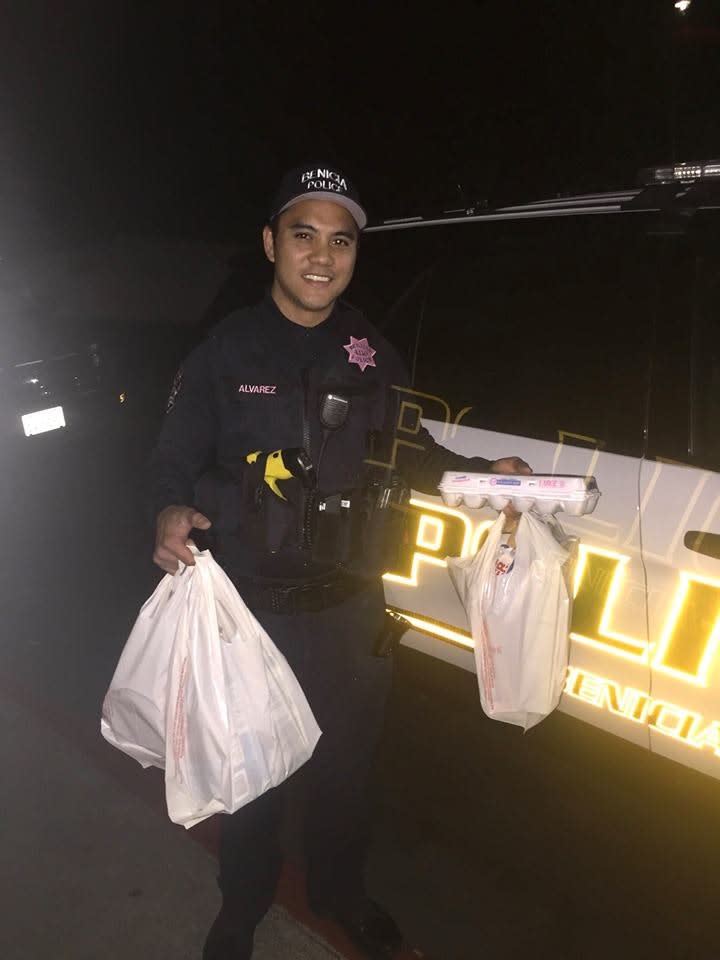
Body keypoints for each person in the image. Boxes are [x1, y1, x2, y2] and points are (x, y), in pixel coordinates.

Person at [148, 163, 530, 960]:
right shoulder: (225, 350)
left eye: (340, 240)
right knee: (254, 777)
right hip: (251, 611)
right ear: (271, 244)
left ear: (354, 253)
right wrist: (167, 511)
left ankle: (339, 893)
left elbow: (411, 449)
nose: (321, 256)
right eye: (303, 235)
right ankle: (240, 907)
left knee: (347, 776)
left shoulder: (371, 352)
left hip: (353, 610)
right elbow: (171, 458)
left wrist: (480, 475)